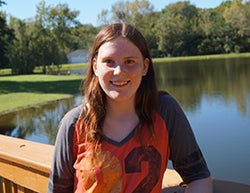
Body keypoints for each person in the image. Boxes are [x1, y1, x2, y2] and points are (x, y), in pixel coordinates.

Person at [48, 23, 212, 193]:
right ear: (95, 66)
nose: (119, 71)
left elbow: (198, 176)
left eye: (130, 62)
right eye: (109, 62)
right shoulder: (74, 123)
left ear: (145, 67)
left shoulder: (165, 110)